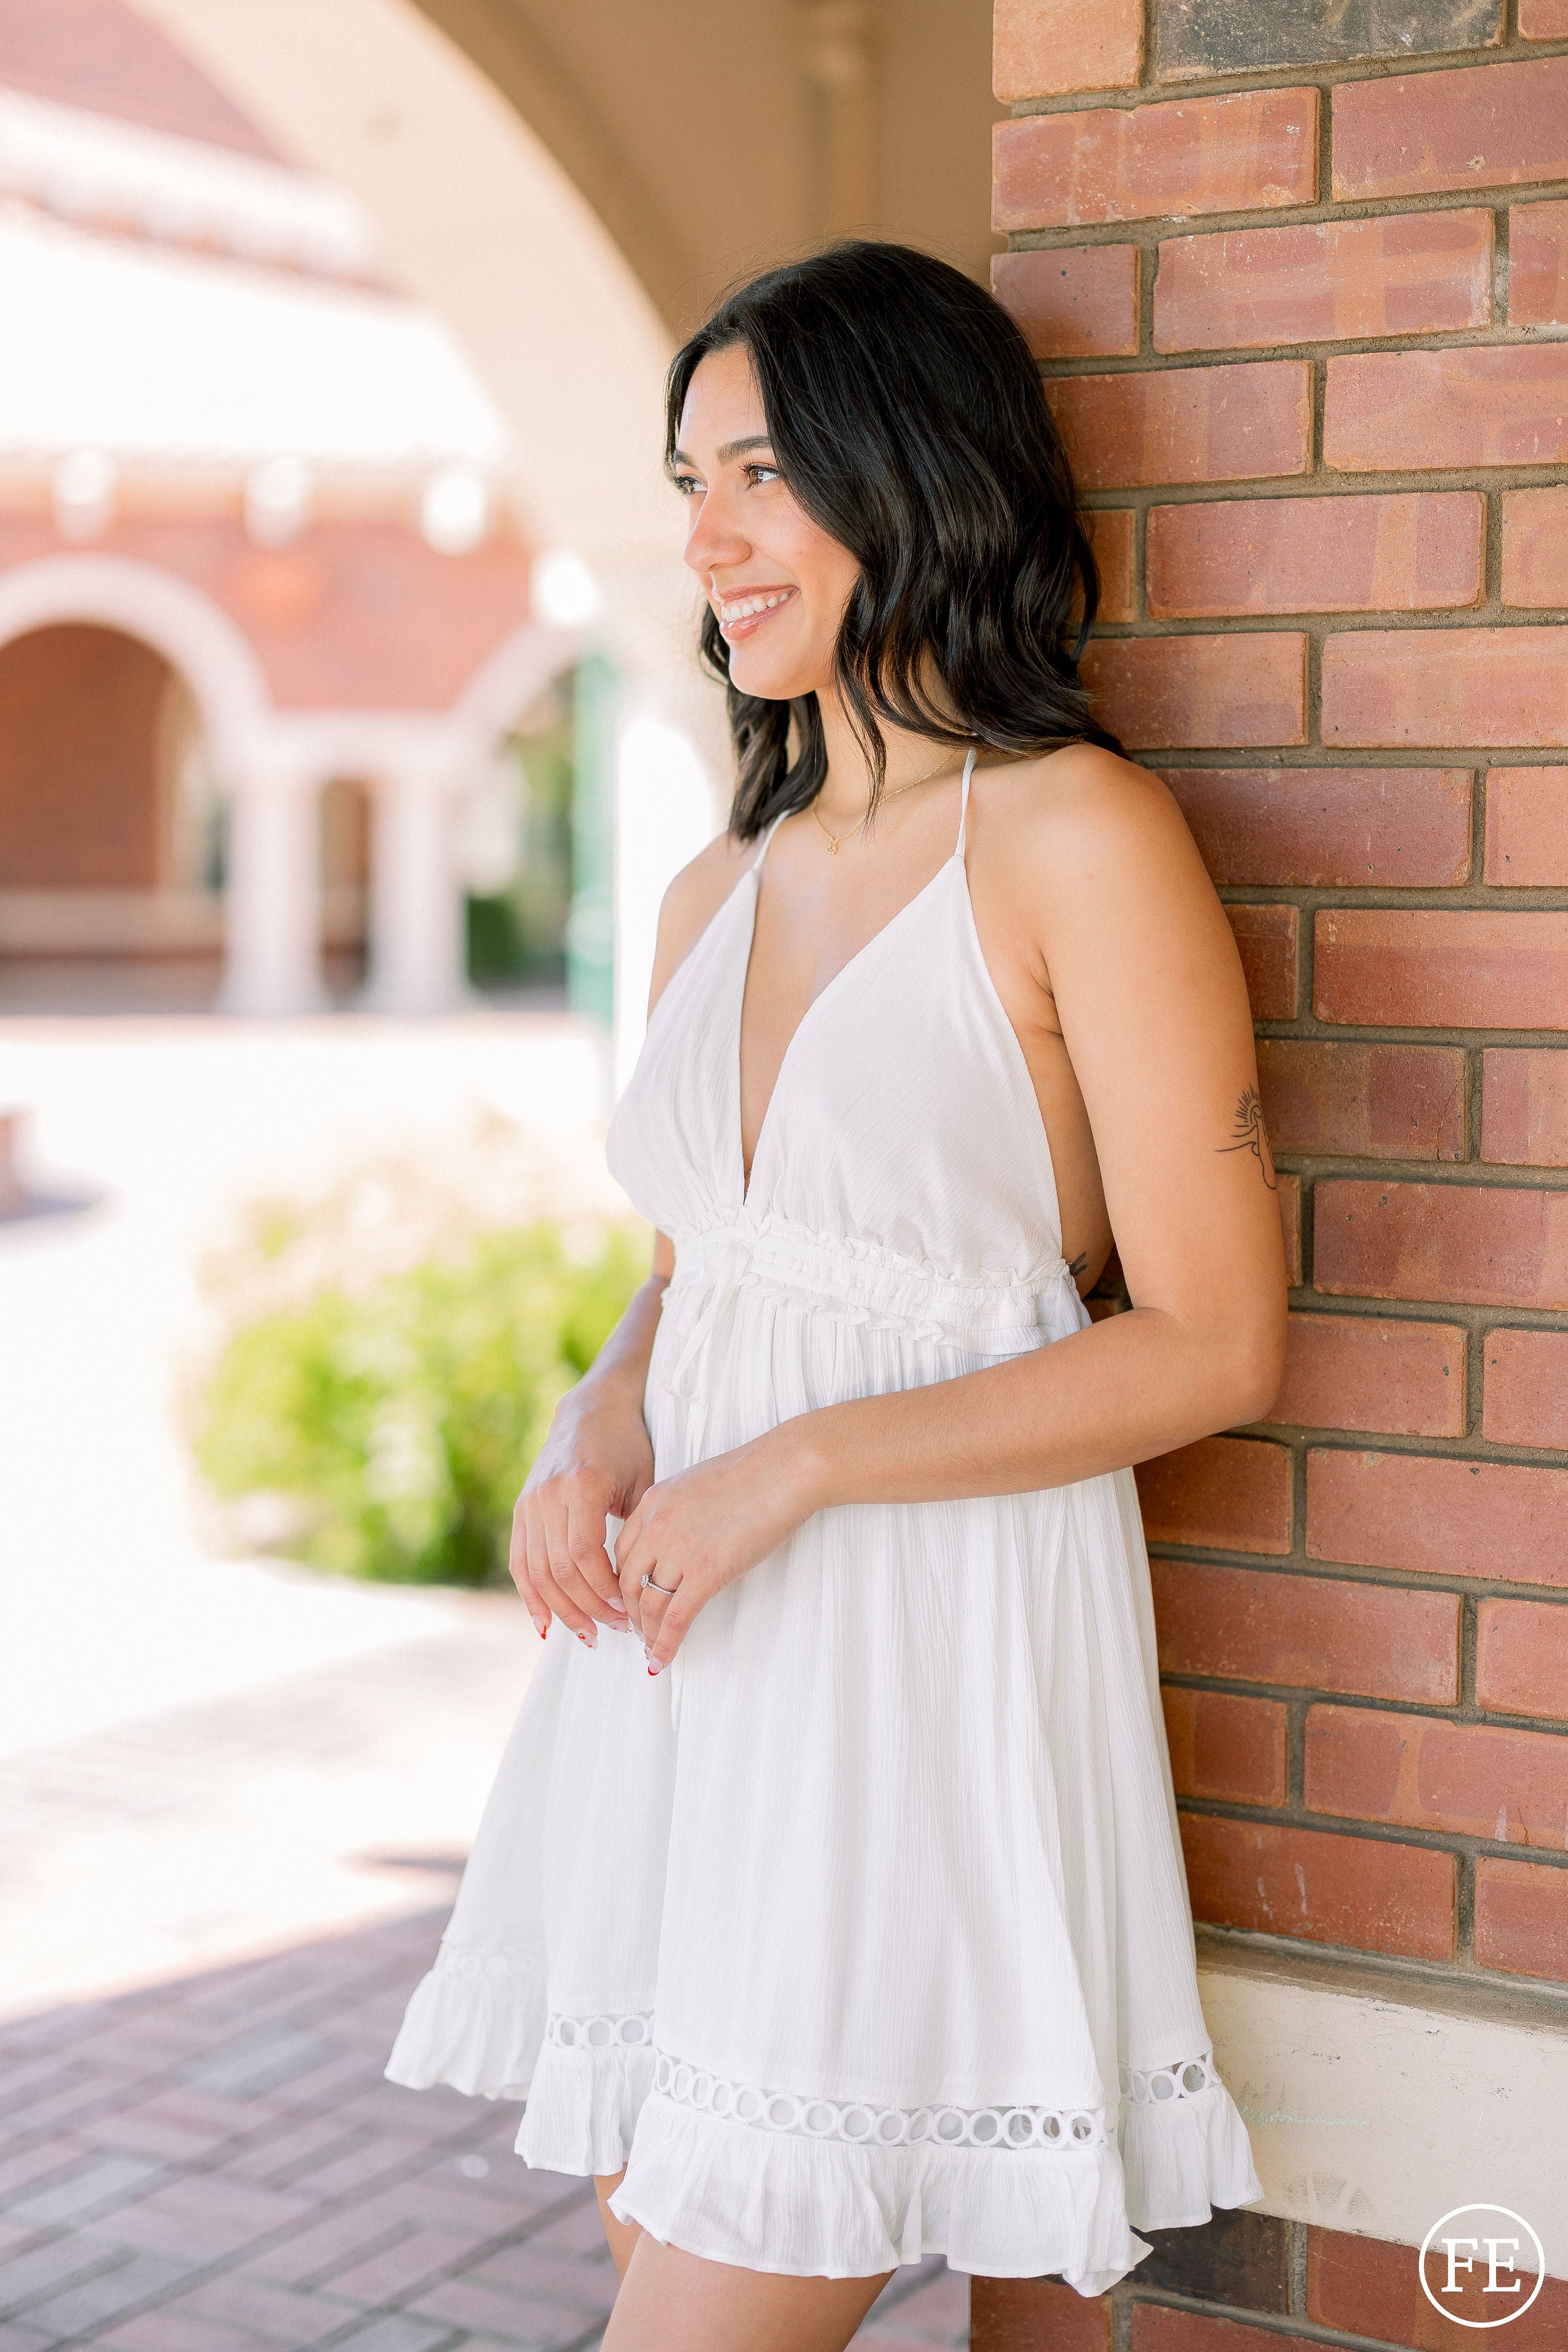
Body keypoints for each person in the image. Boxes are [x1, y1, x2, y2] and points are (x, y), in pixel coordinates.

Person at [387, 240, 1284, 2351]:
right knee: (716, 2241)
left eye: (762, 475)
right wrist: (605, 1408)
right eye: (689, 481)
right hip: (685, 1674)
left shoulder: (1080, 840)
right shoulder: (726, 875)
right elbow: (719, 1257)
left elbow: (1217, 1341)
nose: (705, 542)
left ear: (910, 472)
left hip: (927, 1661)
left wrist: (789, 1466)